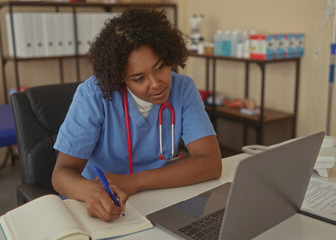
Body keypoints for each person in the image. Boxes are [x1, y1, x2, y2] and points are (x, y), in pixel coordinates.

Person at [52, 7, 222, 222]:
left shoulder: (183, 89)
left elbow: (211, 163)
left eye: (160, 67)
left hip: (158, 198)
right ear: (120, 77)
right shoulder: (94, 95)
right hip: (103, 204)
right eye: (139, 78)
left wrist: (135, 182)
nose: (156, 84)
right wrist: (90, 192)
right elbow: (61, 174)